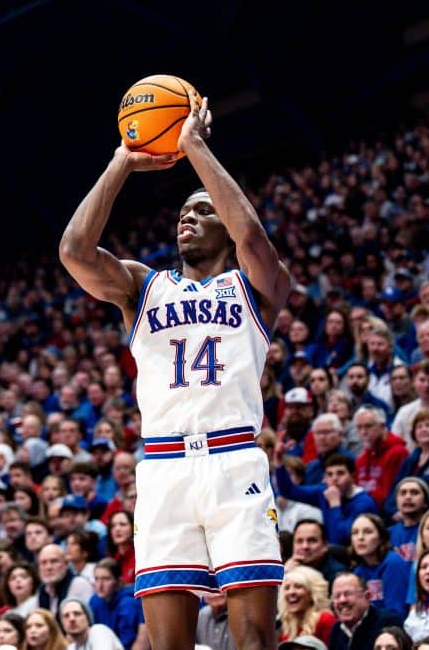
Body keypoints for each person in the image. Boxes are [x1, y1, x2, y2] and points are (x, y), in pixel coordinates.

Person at [59, 91, 290, 650]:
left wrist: (194, 147)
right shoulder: (144, 285)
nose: (189, 217)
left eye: (204, 210)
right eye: (184, 211)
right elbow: (74, 251)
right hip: (164, 467)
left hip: (235, 461)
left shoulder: (258, 286)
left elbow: (252, 237)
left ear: (224, 223)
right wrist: (122, 161)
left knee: (254, 638)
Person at [275, 453, 379, 546]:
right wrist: (279, 464)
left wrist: (335, 505)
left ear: (352, 477)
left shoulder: (364, 503)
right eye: (330, 474)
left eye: (340, 473)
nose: (334, 478)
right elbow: (289, 491)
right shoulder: (324, 491)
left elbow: (339, 540)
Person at [349, 514, 410, 620]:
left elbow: (395, 613)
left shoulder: (393, 563)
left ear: (381, 538)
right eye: (355, 533)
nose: (360, 537)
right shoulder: (358, 571)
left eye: (367, 532)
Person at [328, 573, 403, 650]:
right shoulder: (336, 630)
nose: (342, 600)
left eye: (348, 594)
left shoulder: (388, 623)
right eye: (337, 596)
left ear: (367, 596)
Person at [354, 406, 408, 509]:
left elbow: (390, 494)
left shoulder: (398, 453)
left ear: (382, 426)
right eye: (359, 427)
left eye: (368, 426)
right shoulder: (361, 459)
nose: (363, 432)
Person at [278, 566, 336, 645]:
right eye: (287, 588)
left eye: (298, 587)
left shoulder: (325, 620)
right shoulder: (287, 630)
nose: (291, 592)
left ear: (313, 593)